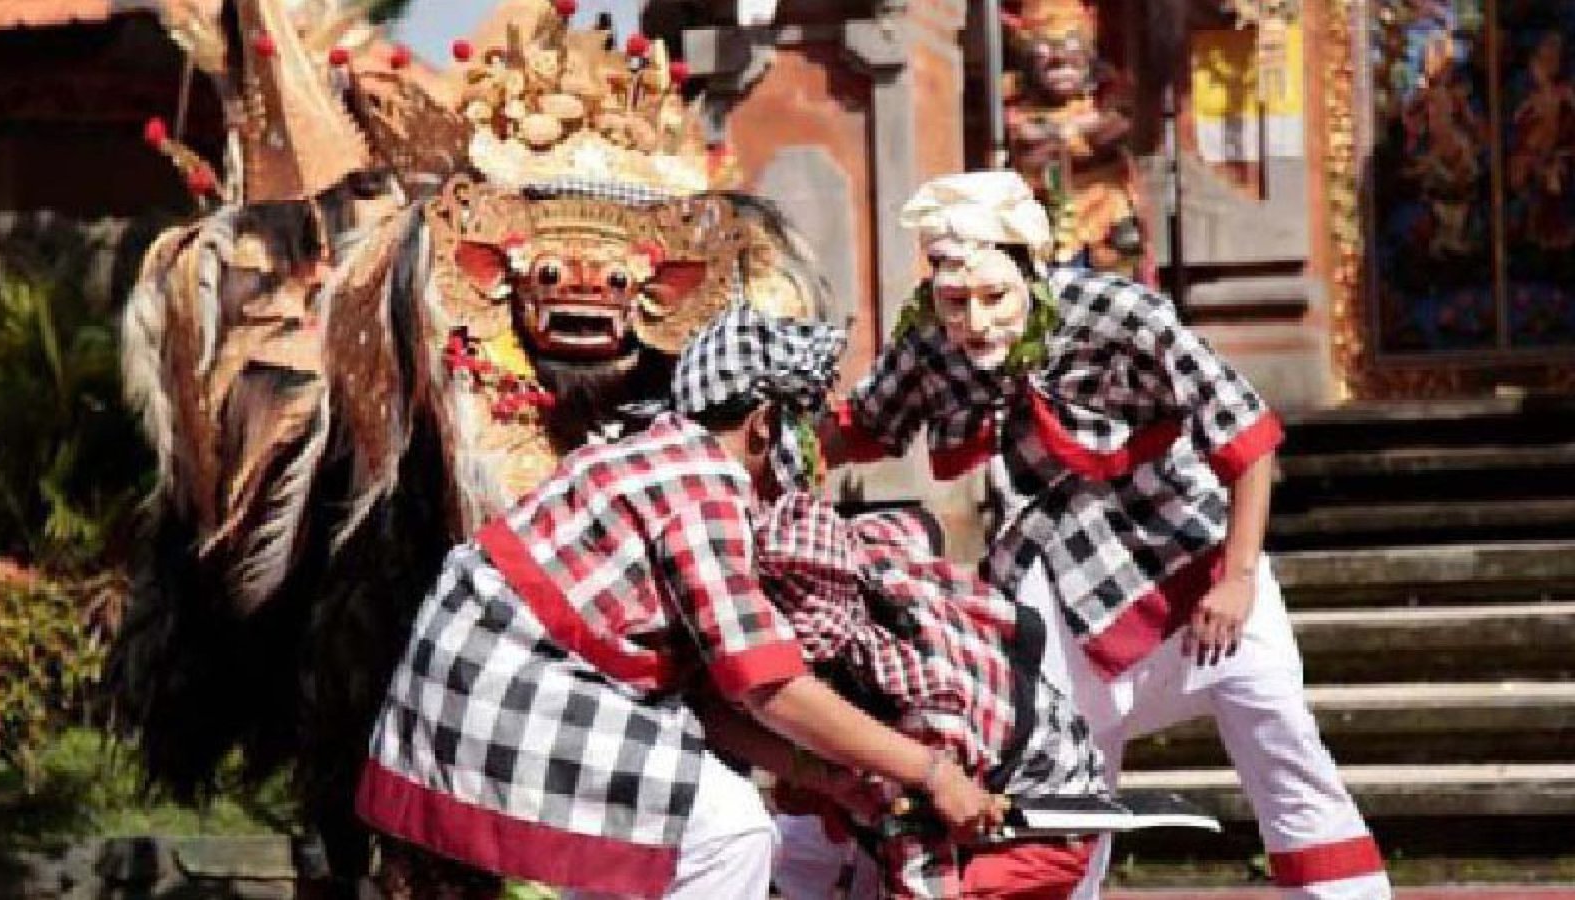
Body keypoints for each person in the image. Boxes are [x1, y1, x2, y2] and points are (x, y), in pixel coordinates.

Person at [811, 171, 1391, 900]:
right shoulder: (933, 335)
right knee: (1062, 783)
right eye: (957, 302)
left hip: (1192, 553)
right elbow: (860, 427)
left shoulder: (1123, 313)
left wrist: (1238, 577)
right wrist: (760, 458)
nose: (978, 322)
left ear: (1031, 270)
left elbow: (1245, 436)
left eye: (994, 297)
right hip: (1058, 580)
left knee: (1285, 745)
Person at [355, 305, 1005, 900]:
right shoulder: (700, 489)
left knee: (669, 837)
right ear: (764, 424)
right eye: (803, 428)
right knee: (730, 833)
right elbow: (769, 686)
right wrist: (931, 771)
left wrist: (829, 776)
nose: (810, 453)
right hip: (512, 694)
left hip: (492, 689)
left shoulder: (658, 453)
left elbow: (702, 701)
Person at [747, 489, 1105, 900]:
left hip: (1039, 826)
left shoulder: (914, 710)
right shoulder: (867, 544)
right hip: (996, 753)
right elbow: (925, 523)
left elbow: (923, 872)